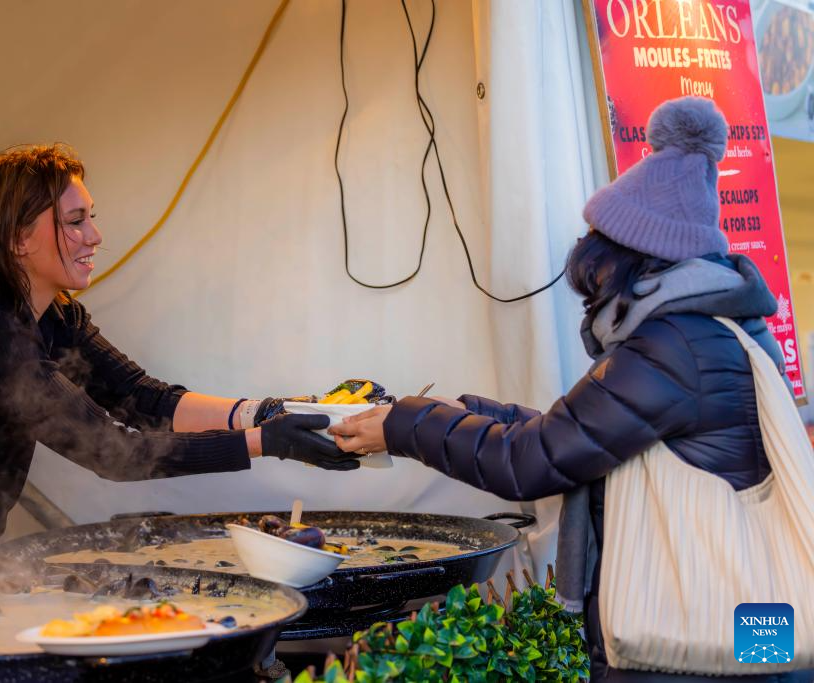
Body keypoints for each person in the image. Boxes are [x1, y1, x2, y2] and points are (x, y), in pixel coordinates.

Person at [329, 97, 812, 681]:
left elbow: (533, 461)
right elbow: (584, 435)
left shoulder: (674, 343)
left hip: (694, 641)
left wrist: (406, 424)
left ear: (630, 259)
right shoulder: (718, 325)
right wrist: (465, 411)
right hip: (754, 628)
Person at [0, 144, 357, 574]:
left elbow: (145, 399)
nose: (95, 236)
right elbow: (115, 453)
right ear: (19, 238)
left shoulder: (54, 317)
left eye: (90, 216)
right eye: (74, 222)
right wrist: (269, 444)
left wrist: (270, 412)